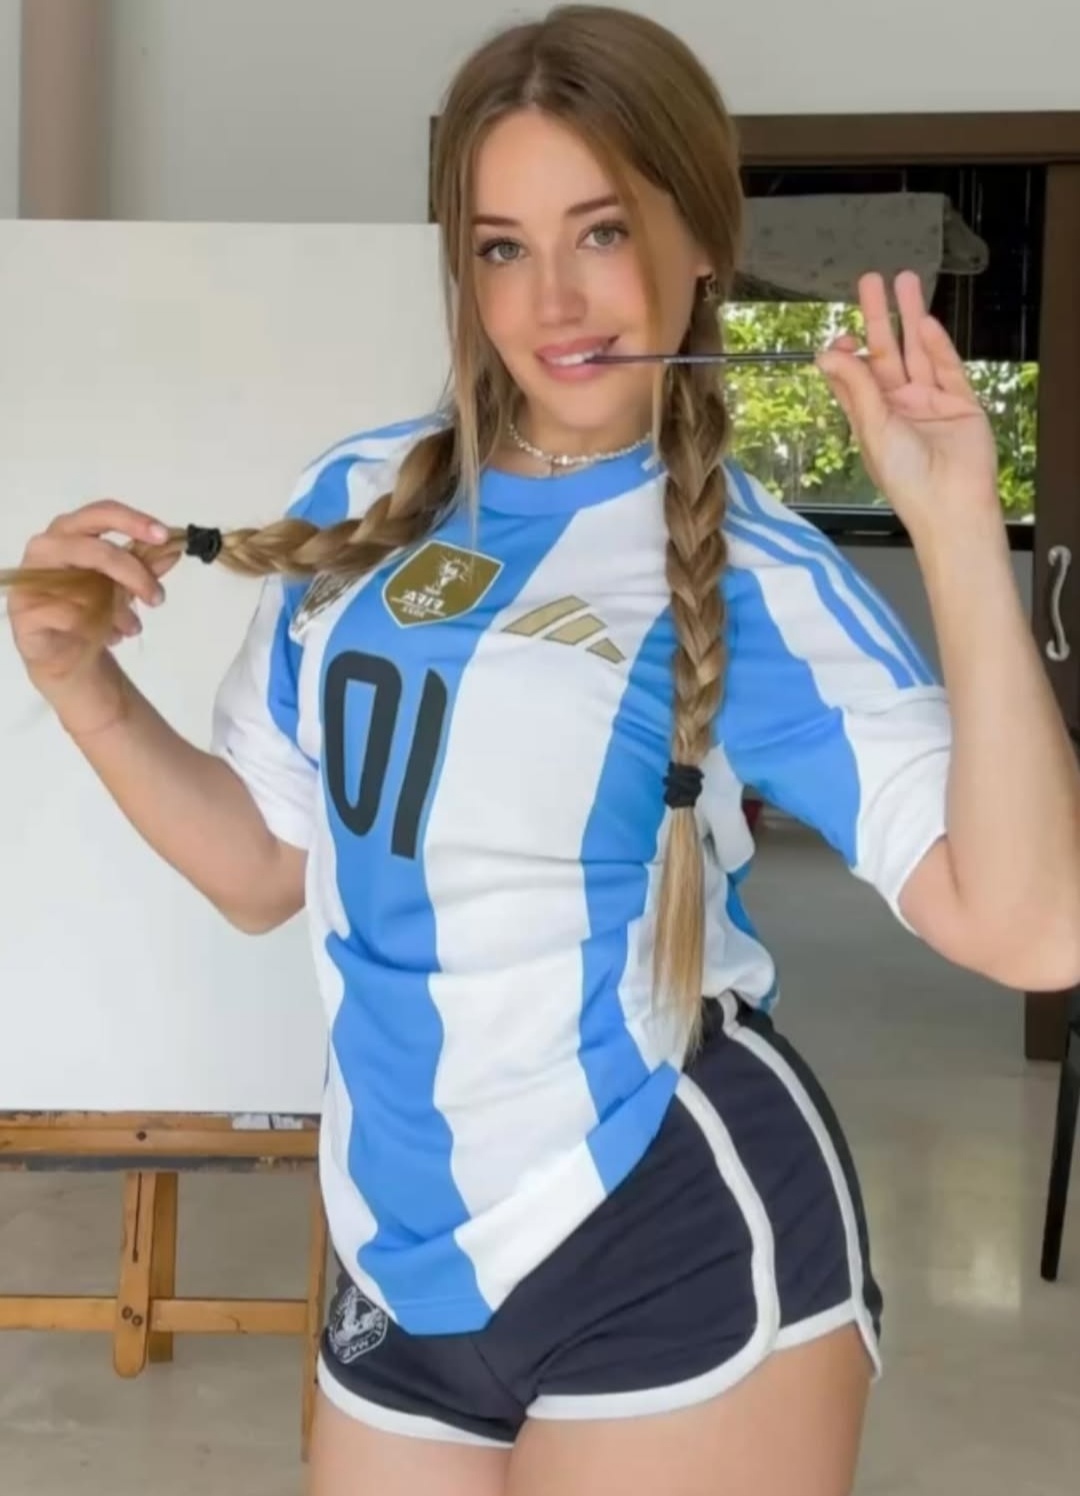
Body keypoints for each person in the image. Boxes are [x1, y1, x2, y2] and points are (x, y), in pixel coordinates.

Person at [3, 6, 1079, 1494]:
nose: (554, 300)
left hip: (664, 1223)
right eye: (502, 246)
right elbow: (260, 869)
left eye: (603, 232)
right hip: (397, 1248)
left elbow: (1033, 925)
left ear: (702, 244)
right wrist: (84, 689)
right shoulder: (358, 496)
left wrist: (957, 521)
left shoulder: (755, 569)